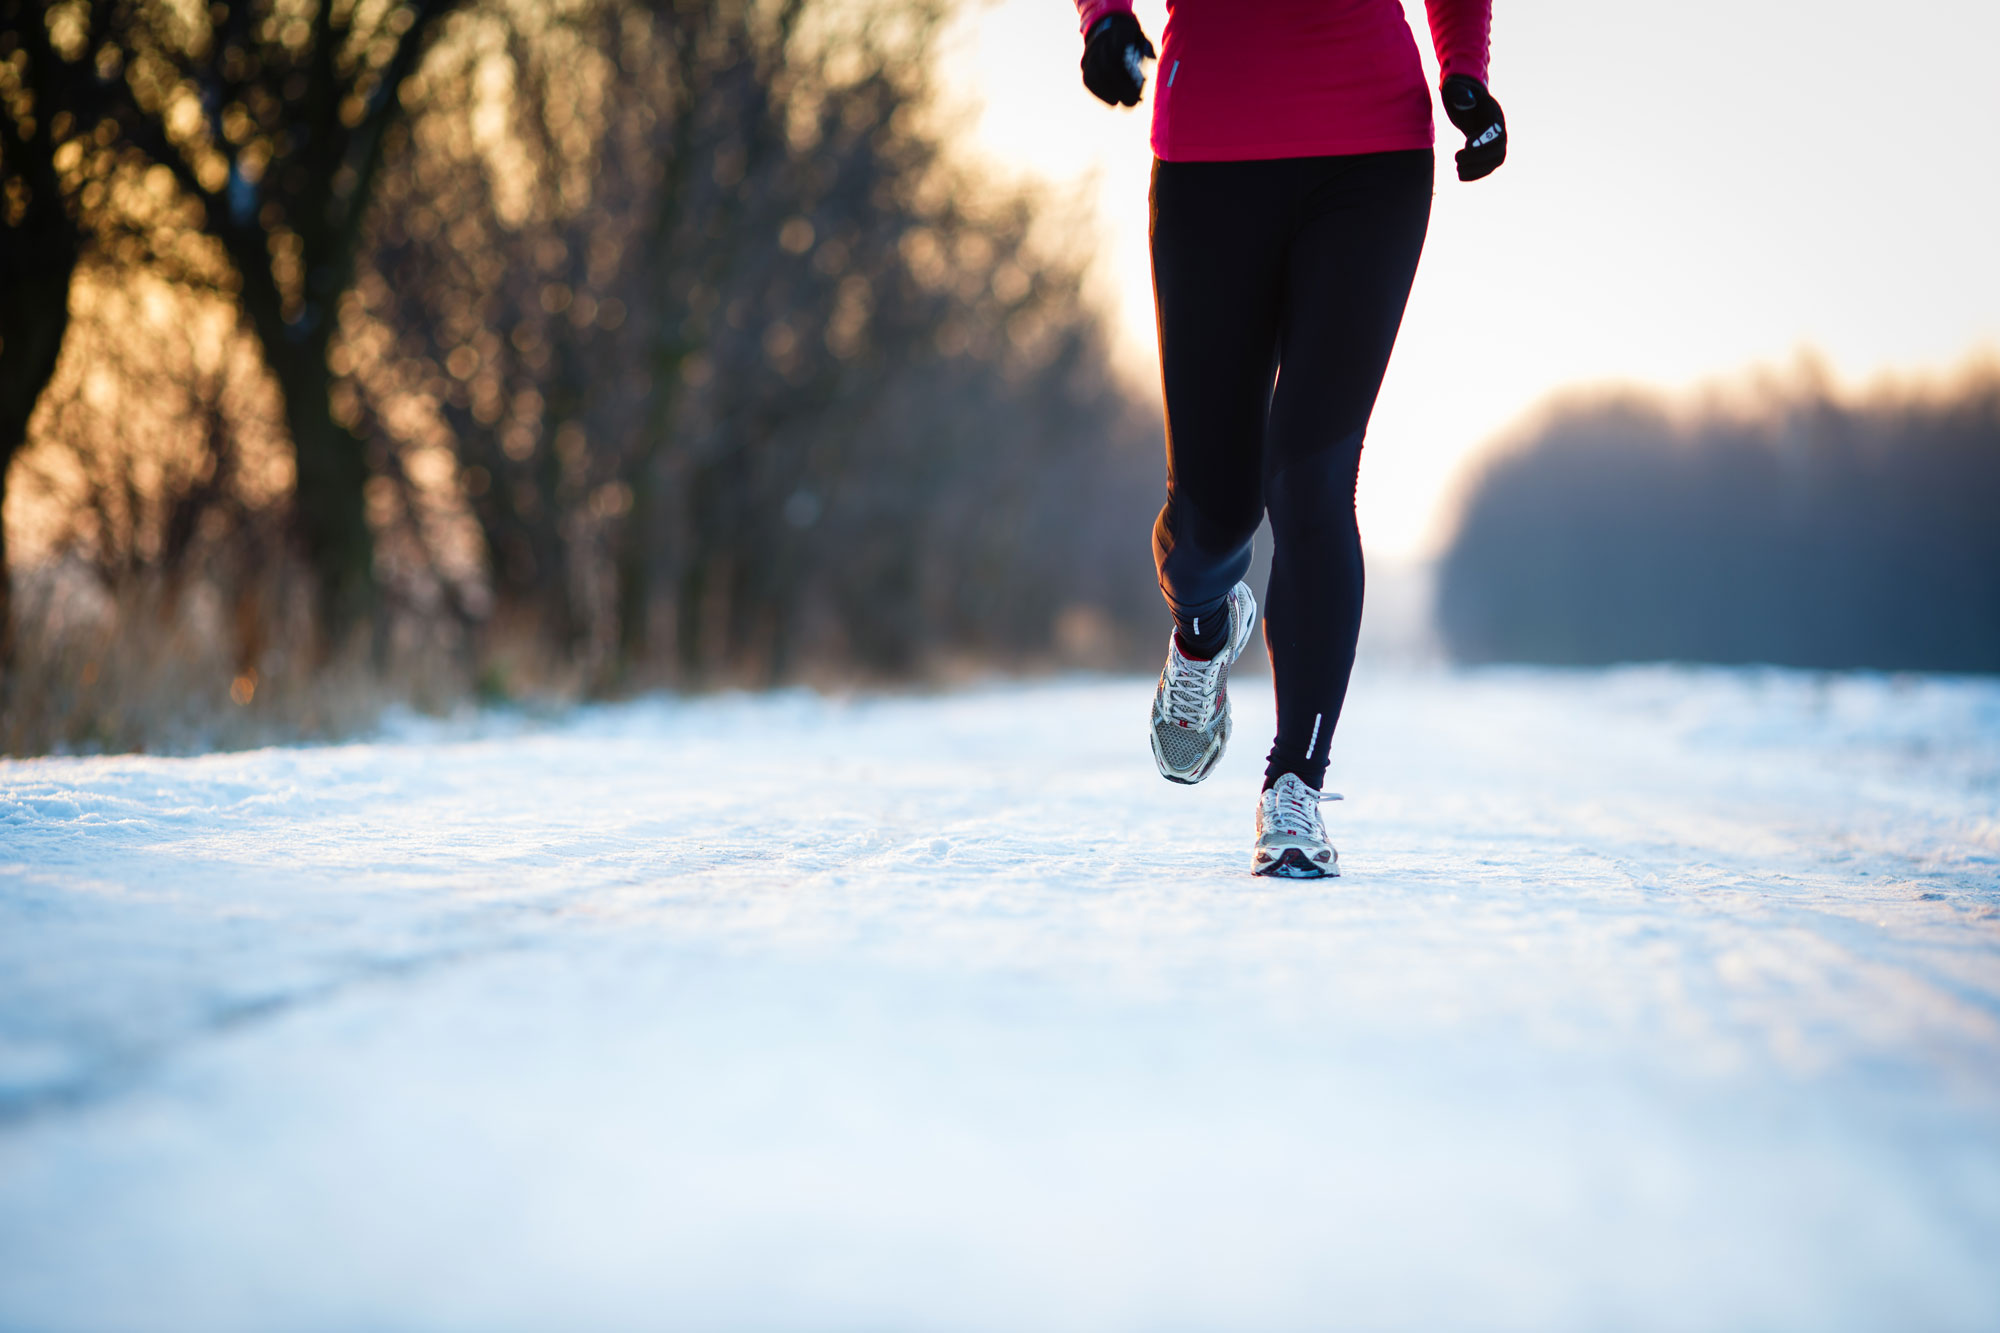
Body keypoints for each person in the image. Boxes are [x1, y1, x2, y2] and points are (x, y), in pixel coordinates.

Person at [1076, 0, 1506, 878]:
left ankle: (1294, 787)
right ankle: (1202, 626)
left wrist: (1465, 69)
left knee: (1310, 476)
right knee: (1214, 511)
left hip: (1372, 153)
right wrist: (1105, 19)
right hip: (1209, 156)